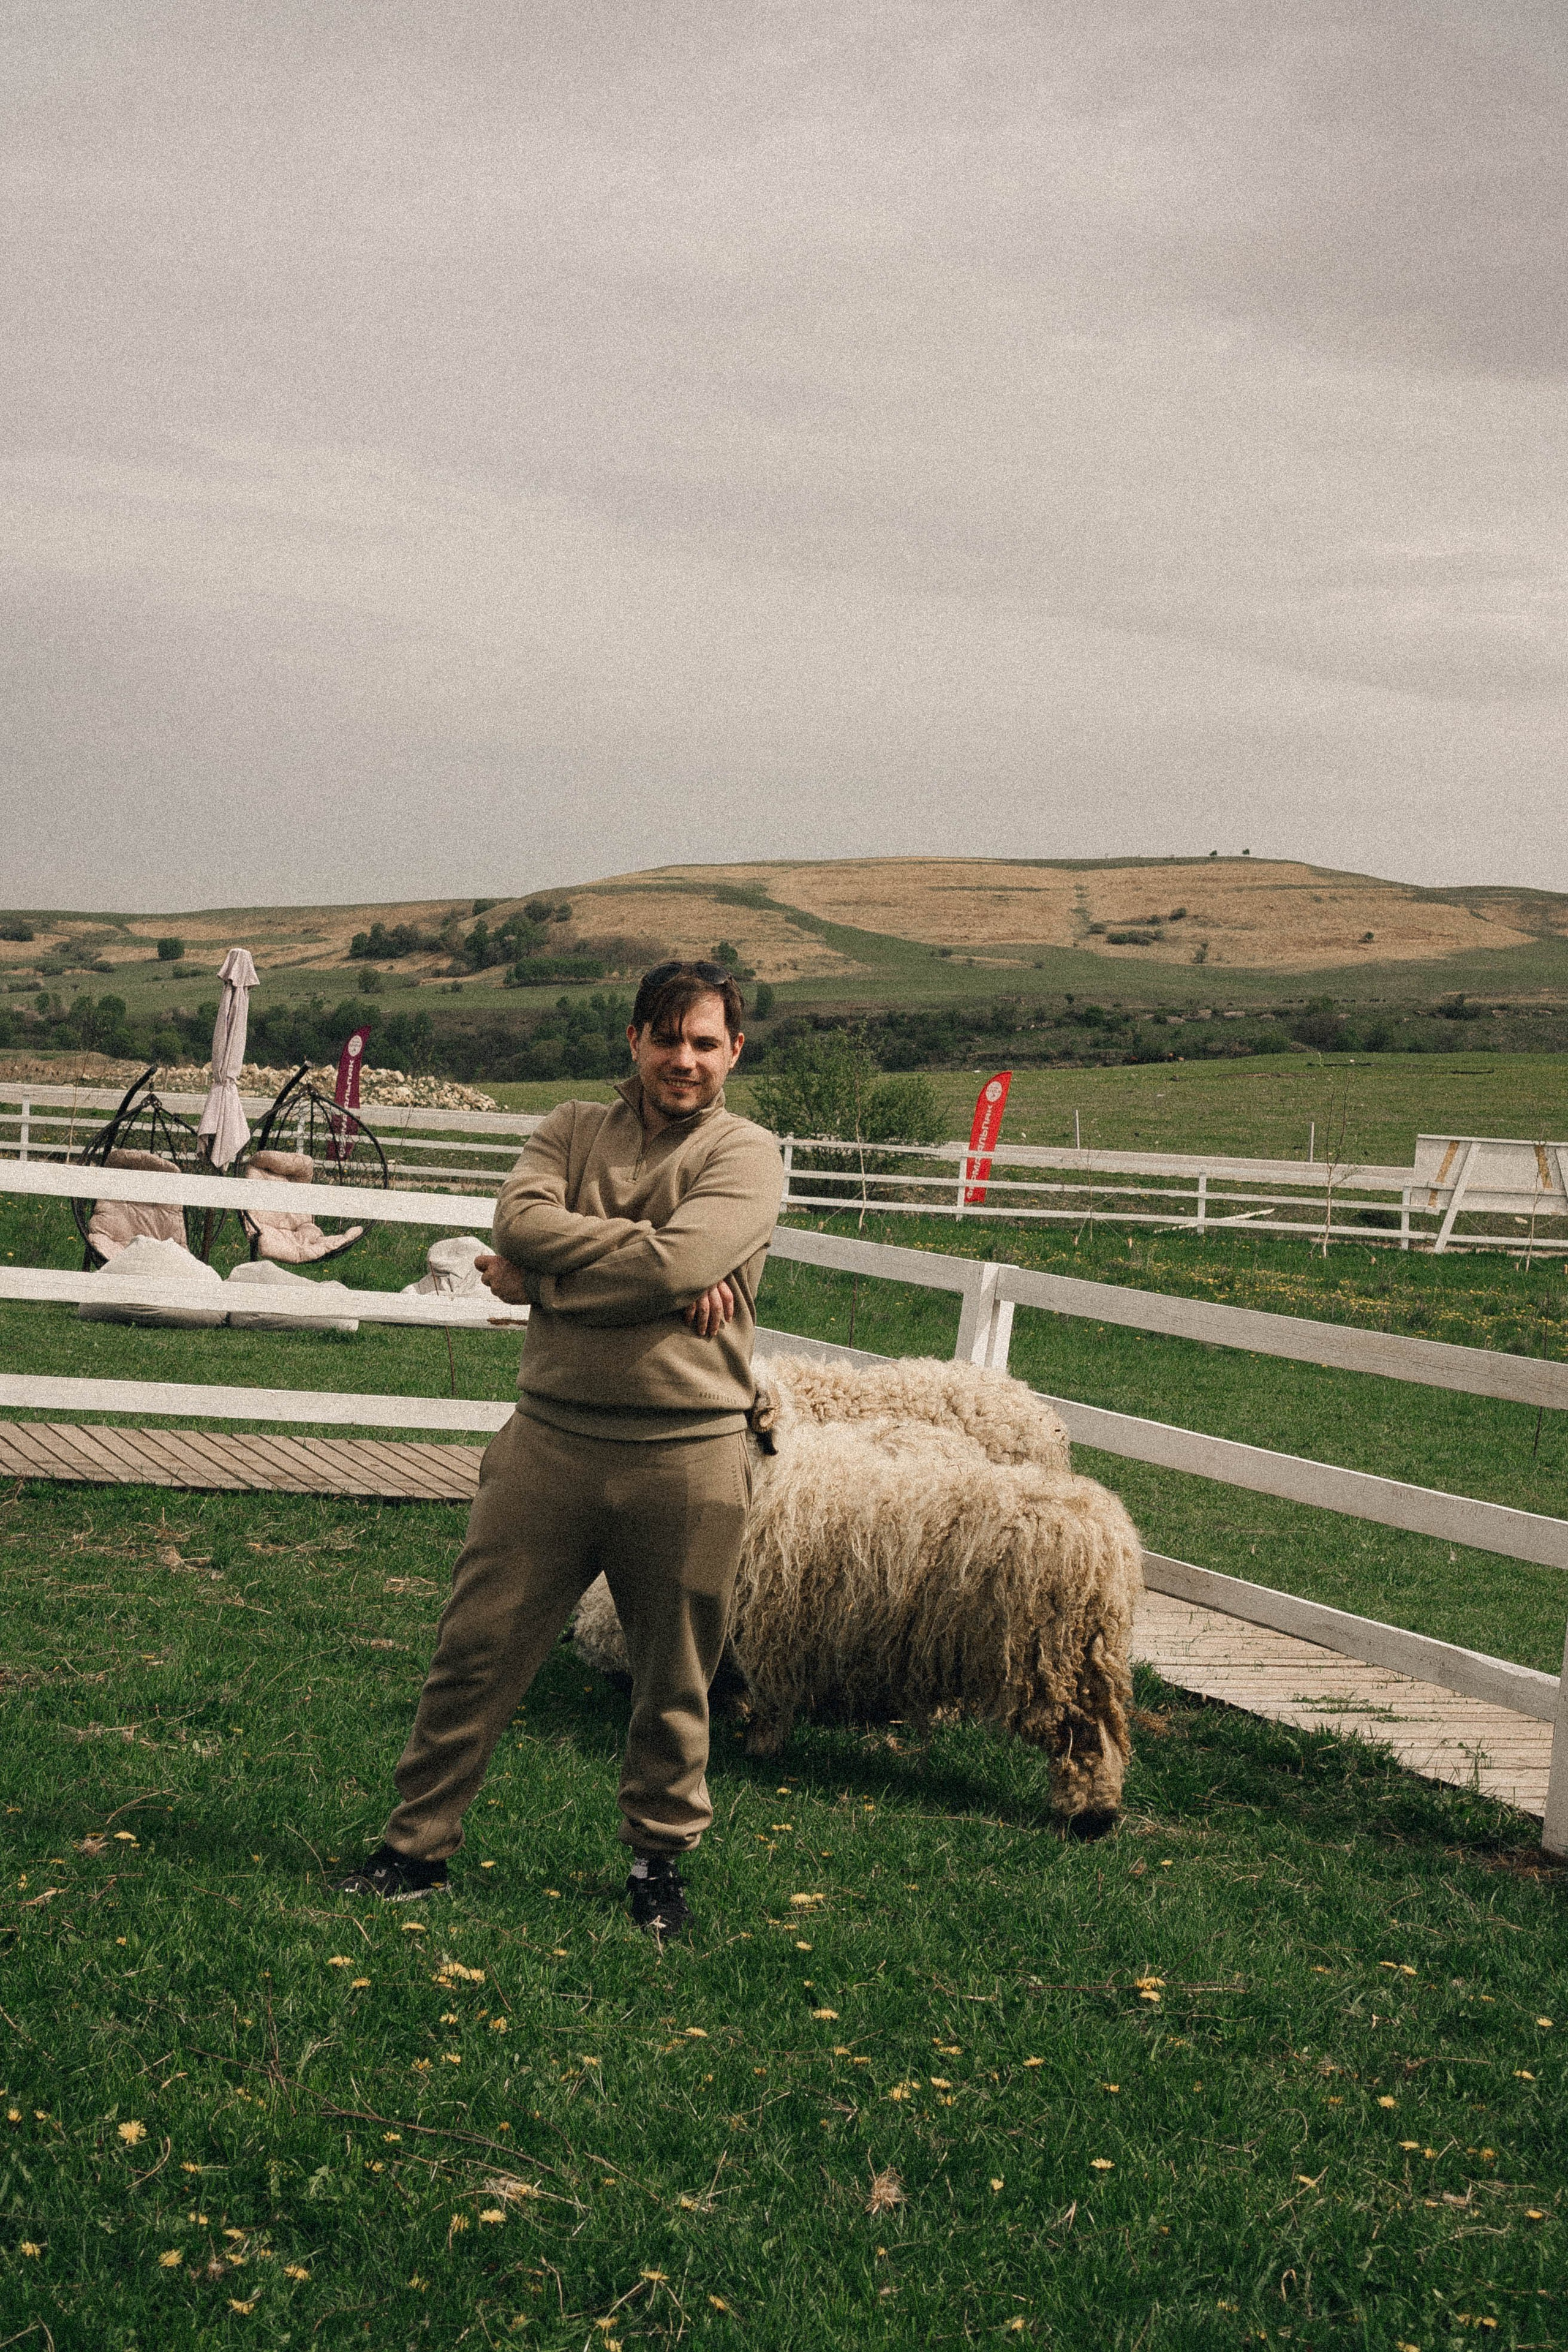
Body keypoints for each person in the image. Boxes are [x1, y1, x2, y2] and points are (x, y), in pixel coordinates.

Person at [333, 961, 784, 1937]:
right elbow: (519, 1221)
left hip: (691, 1459)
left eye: (706, 1043)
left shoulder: (747, 1153)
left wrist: (541, 1282)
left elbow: (686, 1258)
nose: (684, 1060)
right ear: (634, 1039)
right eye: (667, 1039)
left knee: (675, 1676)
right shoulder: (570, 1127)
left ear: (734, 1053)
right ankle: (415, 1849)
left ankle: (656, 1865)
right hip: (550, 1445)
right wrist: (652, 1273)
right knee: (474, 1651)